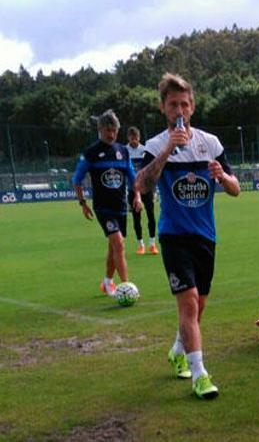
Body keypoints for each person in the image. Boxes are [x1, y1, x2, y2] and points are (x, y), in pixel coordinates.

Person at [136, 73, 241, 400]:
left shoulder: (210, 143)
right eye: (172, 104)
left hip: (205, 237)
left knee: (199, 307)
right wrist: (168, 149)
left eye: (184, 103)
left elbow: (236, 189)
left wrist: (222, 176)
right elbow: (141, 184)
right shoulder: (154, 145)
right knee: (190, 303)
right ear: (163, 108)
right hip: (174, 236)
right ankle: (200, 375)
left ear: (192, 106)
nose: (179, 109)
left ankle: (178, 350)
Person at [73, 110, 142, 298]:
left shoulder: (123, 151)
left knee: (114, 247)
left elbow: (132, 178)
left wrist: (137, 197)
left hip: (121, 206)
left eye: (114, 130)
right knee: (119, 244)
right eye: (108, 130)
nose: (111, 134)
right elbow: (77, 180)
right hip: (103, 208)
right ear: (100, 129)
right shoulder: (91, 153)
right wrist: (83, 204)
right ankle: (126, 288)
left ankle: (107, 282)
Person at [125, 127, 158, 254]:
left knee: (151, 215)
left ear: (139, 137)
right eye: (132, 138)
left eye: (136, 138)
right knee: (136, 217)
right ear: (128, 138)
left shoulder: (145, 150)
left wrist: (154, 188)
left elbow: (152, 170)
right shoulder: (124, 151)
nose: (134, 140)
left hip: (147, 188)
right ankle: (141, 245)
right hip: (132, 189)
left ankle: (152, 244)